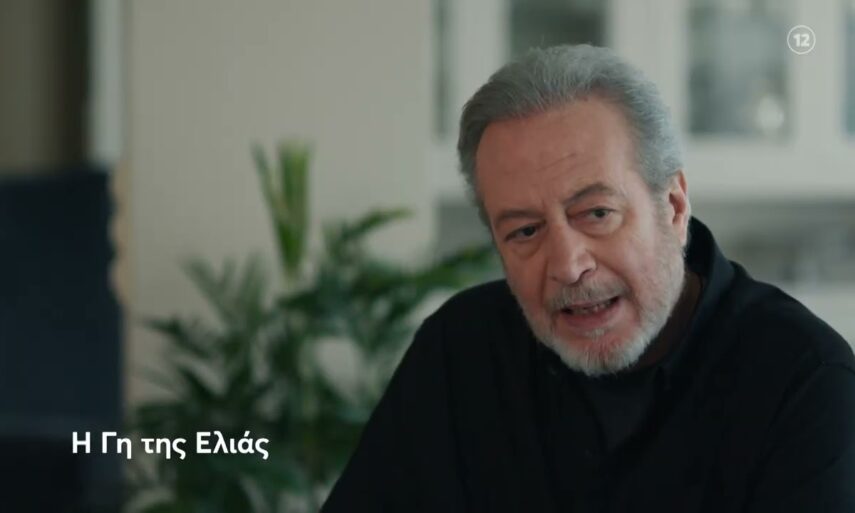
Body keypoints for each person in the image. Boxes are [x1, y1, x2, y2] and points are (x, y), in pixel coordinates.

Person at [321, 45, 855, 512]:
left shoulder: (806, 381)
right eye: (525, 231)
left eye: (597, 213)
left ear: (672, 206)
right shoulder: (459, 351)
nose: (568, 265)